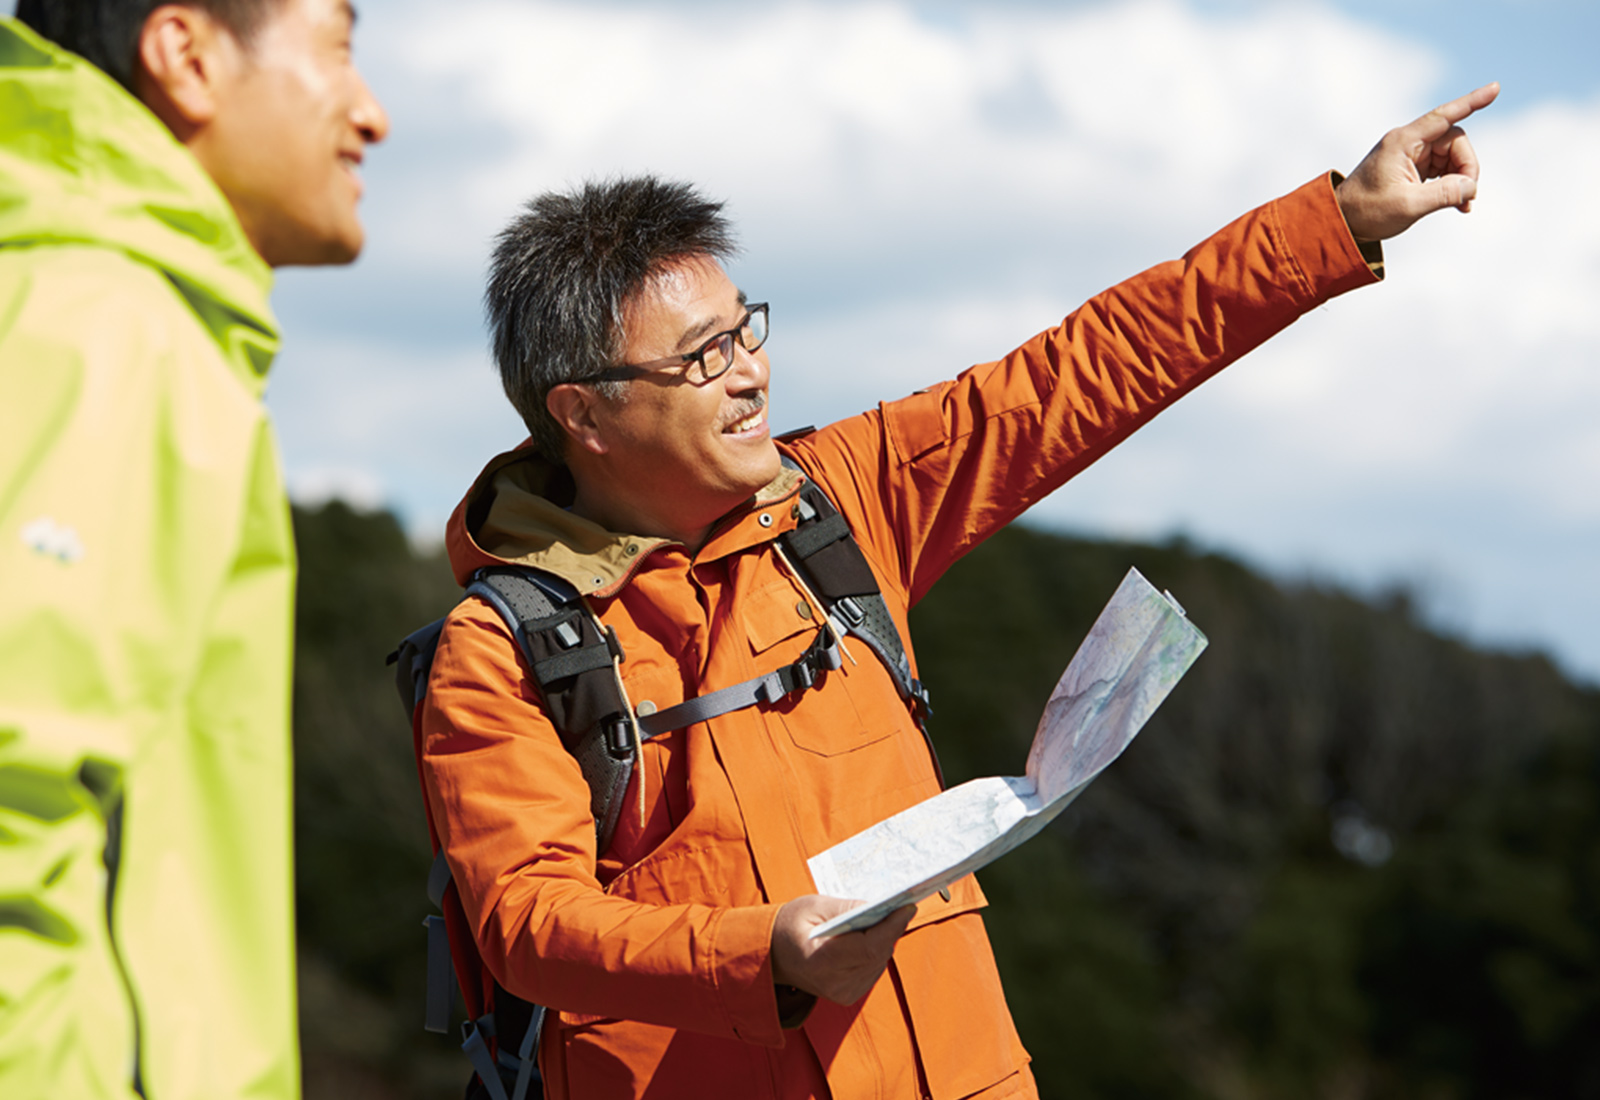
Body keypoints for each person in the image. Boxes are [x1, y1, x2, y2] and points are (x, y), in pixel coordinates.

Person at [418, 84, 1498, 1099]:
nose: (750, 371)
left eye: (745, 326)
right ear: (585, 413)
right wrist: (763, 953)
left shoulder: (838, 498)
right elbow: (526, 920)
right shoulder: (500, 650)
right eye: (701, 357)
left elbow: (1077, 372)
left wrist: (1337, 222)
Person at [0, 2, 387, 1097]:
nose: (374, 113)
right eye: (340, 51)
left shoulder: (89, 309)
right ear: (186, 57)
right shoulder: (103, 325)